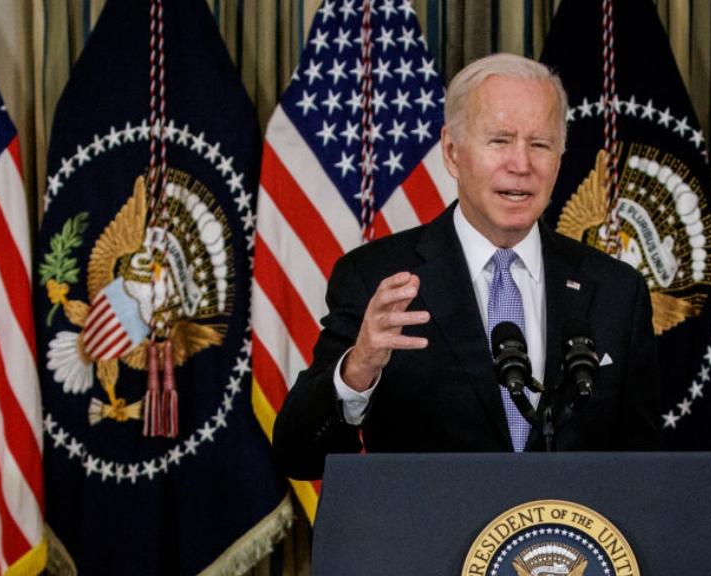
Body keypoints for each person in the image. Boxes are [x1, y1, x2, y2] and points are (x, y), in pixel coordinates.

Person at [272, 54, 660, 481]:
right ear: (452, 153)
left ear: (560, 159)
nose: (521, 164)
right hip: (432, 545)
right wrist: (358, 369)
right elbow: (298, 455)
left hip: (568, 545)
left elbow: (644, 471)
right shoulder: (375, 278)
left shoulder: (616, 290)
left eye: (540, 144)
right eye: (499, 140)